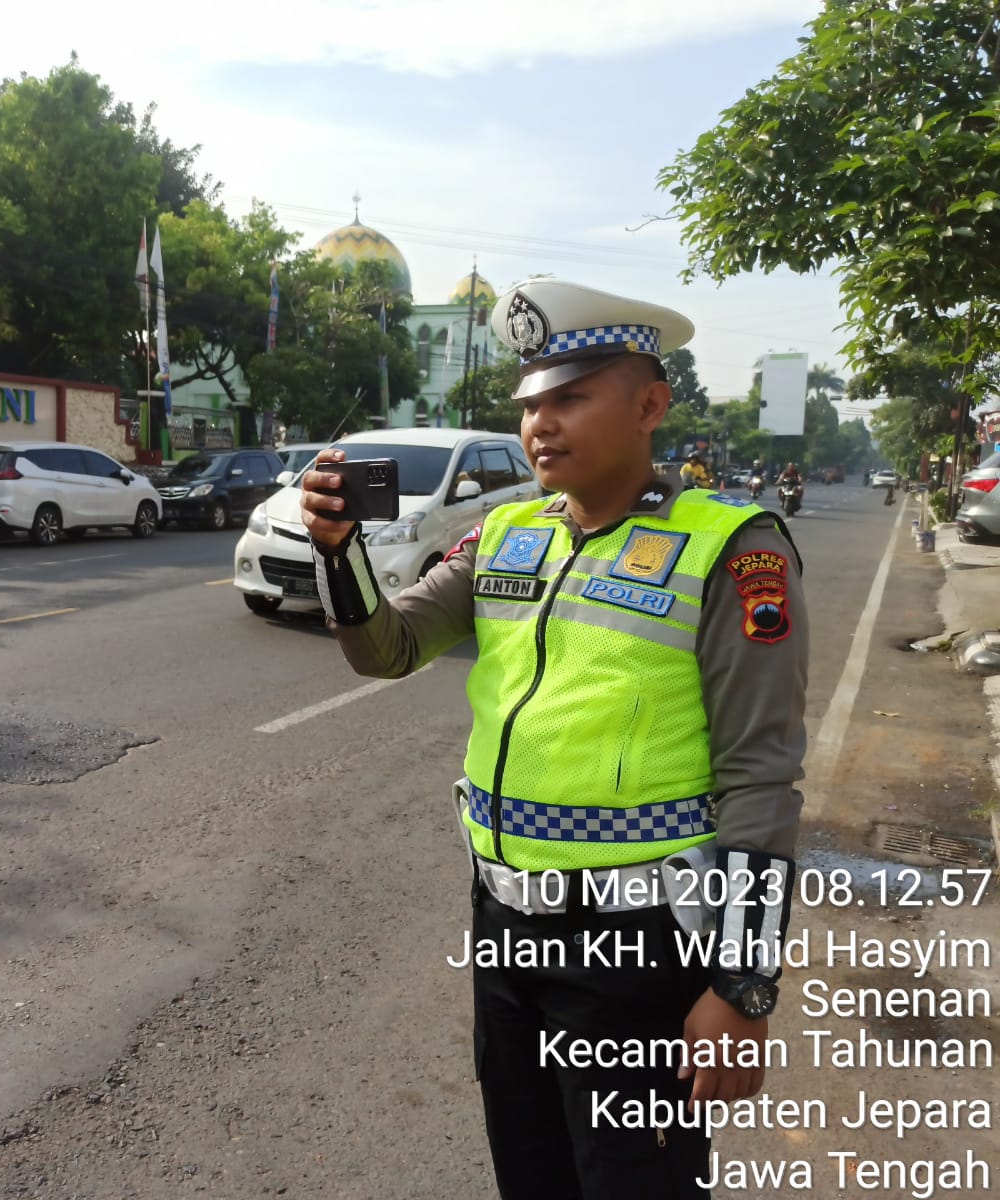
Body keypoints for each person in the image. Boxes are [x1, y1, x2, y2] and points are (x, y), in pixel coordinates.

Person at [302, 278, 807, 1200]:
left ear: (651, 404)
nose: (541, 422)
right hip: (506, 930)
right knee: (530, 1174)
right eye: (531, 402)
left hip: (641, 946)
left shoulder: (734, 548)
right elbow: (389, 648)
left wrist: (742, 989)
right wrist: (339, 557)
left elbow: (762, 776)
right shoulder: (504, 534)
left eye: (571, 396)